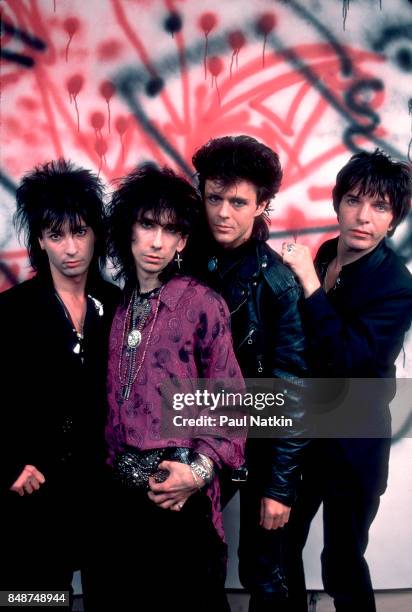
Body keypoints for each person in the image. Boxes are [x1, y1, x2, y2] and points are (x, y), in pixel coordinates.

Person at [102, 164, 245, 612]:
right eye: (147, 225)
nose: (157, 241)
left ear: (183, 241)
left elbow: (232, 404)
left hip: (180, 498)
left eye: (170, 230)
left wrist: (197, 474)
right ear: (130, 229)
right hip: (121, 504)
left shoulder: (201, 303)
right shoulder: (117, 305)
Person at [281, 149, 412, 611]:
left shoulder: (397, 285)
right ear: (337, 203)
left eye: (379, 207)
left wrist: (310, 287)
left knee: (341, 563)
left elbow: (347, 361)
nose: (362, 216)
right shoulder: (324, 254)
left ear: (393, 220)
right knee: (279, 547)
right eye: (354, 200)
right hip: (308, 433)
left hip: (354, 445)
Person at [190, 135, 309, 612]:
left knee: (264, 570)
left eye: (238, 201)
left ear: (262, 205)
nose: (223, 212)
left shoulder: (277, 283)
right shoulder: (186, 260)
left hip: (259, 435)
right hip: (197, 430)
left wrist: (279, 488)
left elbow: (293, 389)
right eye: (214, 198)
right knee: (196, 560)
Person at [0, 160, 120, 608]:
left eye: (80, 232)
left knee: (111, 597)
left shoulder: (119, 305)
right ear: (40, 242)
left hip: (104, 493)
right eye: (56, 235)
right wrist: (7, 465)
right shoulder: (11, 312)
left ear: (96, 234)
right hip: (35, 494)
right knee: (34, 600)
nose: (70, 248)